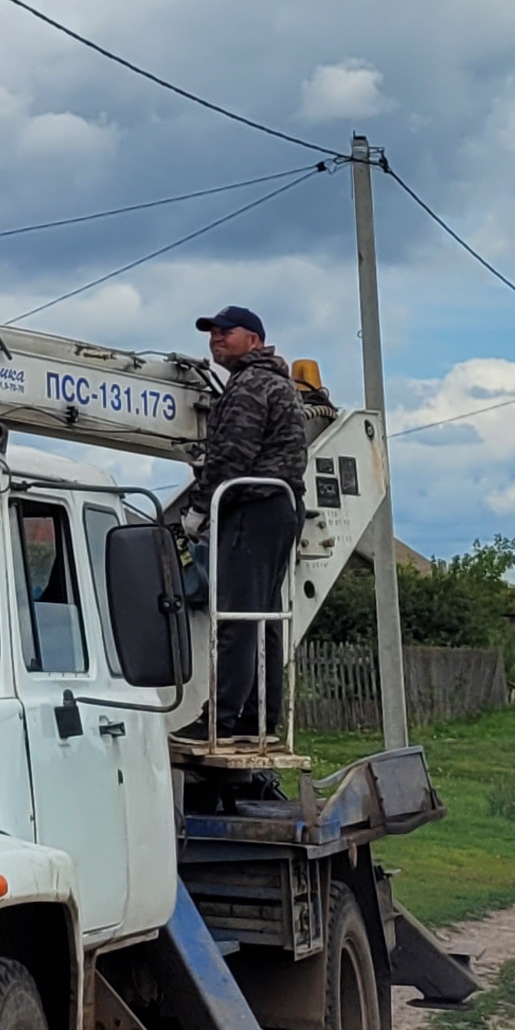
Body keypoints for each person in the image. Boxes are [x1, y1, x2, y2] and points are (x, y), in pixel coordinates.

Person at [189, 303, 310, 739]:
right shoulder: (276, 384)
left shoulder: (249, 386)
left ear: (254, 340)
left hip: (253, 504)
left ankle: (221, 719)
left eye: (226, 331)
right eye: (212, 333)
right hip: (280, 506)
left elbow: (232, 456)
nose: (216, 338)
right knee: (265, 615)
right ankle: (259, 717)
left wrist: (201, 505)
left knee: (237, 616)